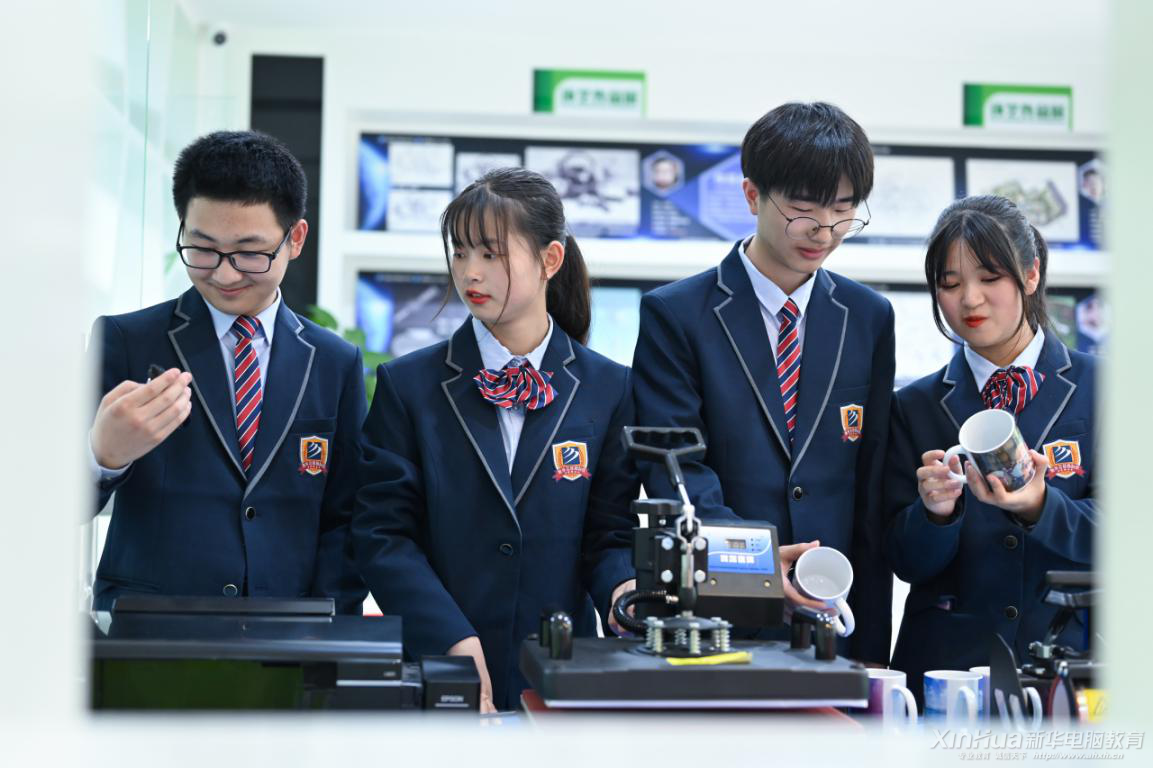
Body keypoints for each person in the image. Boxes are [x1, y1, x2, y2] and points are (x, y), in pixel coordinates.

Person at [352, 168, 638, 712]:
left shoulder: (609, 388)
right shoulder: (408, 386)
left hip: (561, 671)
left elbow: (609, 535)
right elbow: (382, 535)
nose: (470, 272)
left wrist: (624, 593)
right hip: (440, 669)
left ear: (550, 260)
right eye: (460, 253)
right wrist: (449, 638)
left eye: (490, 253)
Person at [631, 102, 896, 664]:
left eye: (843, 209)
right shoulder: (677, 315)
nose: (824, 230)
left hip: (835, 618)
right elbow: (676, 470)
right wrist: (754, 561)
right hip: (719, 618)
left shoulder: (868, 317)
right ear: (752, 196)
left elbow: (870, 482)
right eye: (802, 207)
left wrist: (872, 643)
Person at [89, 130, 367, 614]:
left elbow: (347, 516)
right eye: (202, 248)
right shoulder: (126, 341)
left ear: (295, 239)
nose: (224, 273)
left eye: (249, 252)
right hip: (149, 629)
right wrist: (103, 456)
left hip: (291, 631)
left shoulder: (334, 362)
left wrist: (326, 624)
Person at [885, 195, 1095, 704]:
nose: (970, 300)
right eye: (950, 284)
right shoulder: (913, 406)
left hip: (1071, 665)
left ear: (1030, 274)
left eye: (989, 277)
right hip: (946, 674)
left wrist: (1041, 505)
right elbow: (904, 561)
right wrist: (935, 514)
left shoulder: (1104, 386)